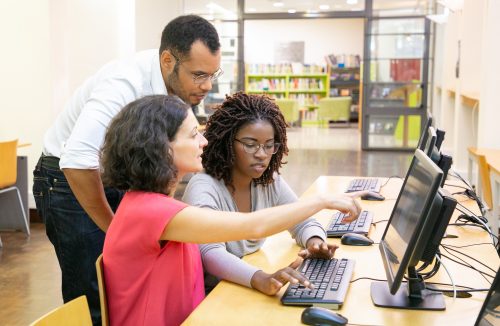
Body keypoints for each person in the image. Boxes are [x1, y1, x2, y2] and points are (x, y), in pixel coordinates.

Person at [100, 94, 363, 326]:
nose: (204, 141)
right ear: (161, 147)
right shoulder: (150, 211)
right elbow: (253, 226)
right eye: (194, 135)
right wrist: (321, 201)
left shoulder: (151, 204)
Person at [32, 14, 221, 325]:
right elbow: (76, 160)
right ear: (167, 60)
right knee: (94, 293)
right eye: (199, 75)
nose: (207, 85)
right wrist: (117, 230)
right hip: (66, 179)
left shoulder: (178, 85)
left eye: (213, 74)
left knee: (128, 280)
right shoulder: (123, 83)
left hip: (110, 173)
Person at [181, 92, 336, 295]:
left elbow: (302, 221)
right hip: (211, 295)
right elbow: (210, 253)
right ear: (227, 143)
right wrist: (260, 278)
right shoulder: (203, 187)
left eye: (269, 145)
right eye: (250, 144)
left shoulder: (268, 181)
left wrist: (315, 243)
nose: (262, 154)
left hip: (244, 289)